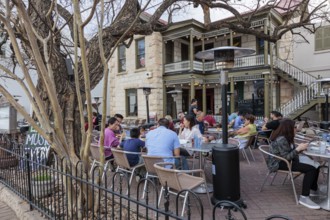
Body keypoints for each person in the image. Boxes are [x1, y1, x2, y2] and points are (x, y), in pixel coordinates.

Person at [268, 119, 321, 209]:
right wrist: (298, 149)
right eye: (295, 127)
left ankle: (313, 189)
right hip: (279, 163)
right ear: (289, 128)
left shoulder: (287, 137)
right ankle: (304, 197)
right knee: (311, 169)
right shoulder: (282, 139)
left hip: (288, 160)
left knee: (317, 165)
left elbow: (290, 152)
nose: (297, 128)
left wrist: (301, 149)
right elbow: (286, 157)